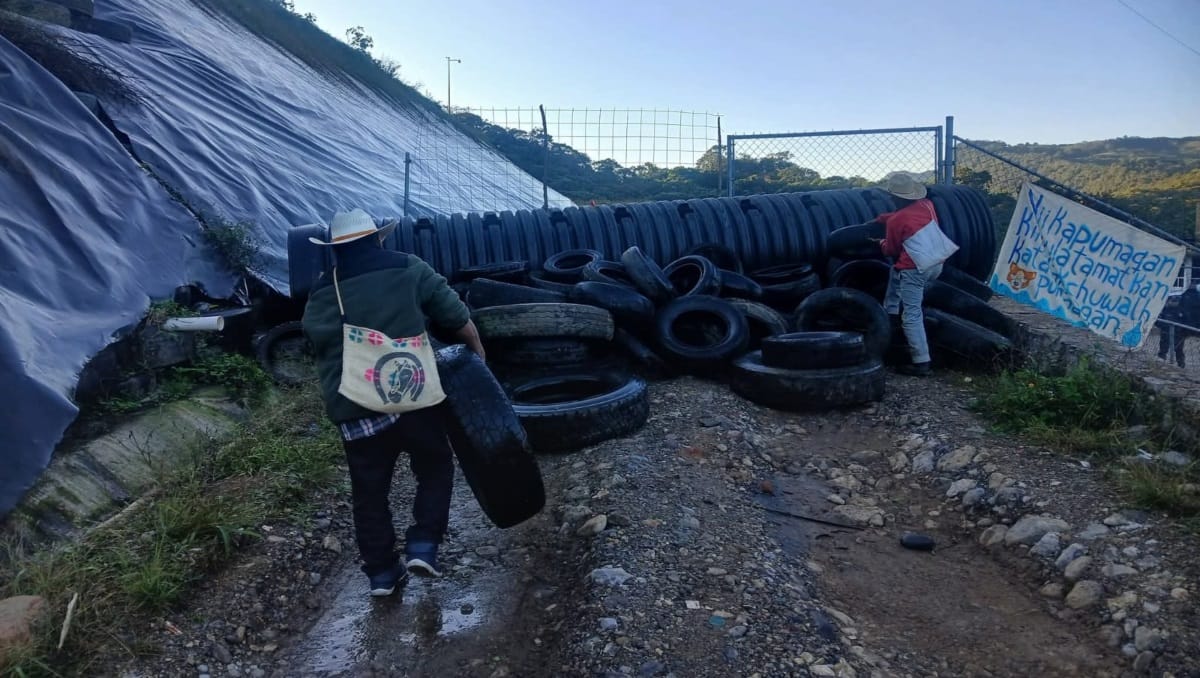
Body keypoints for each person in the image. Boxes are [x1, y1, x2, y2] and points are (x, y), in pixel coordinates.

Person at [302, 208, 485, 596]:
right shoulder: (409, 267)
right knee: (435, 466)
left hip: (356, 403)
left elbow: (315, 339)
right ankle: (423, 545)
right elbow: (456, 317)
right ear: (378, 238)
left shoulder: (324, 287)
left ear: (335, 248)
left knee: (369, 492)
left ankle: (383, 574)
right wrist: (478, 356)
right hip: (413, 394)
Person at [870, 173, 959, 377]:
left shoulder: (896, 221)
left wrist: (879, 242)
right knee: (896, 272)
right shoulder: (927, 205)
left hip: (914, 269)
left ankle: (921, 361)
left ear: (895, 197)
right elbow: (905, 218)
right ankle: (890, 312)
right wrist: (884, 219)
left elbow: (890, 250)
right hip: (937, 262)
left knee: (911, 314)